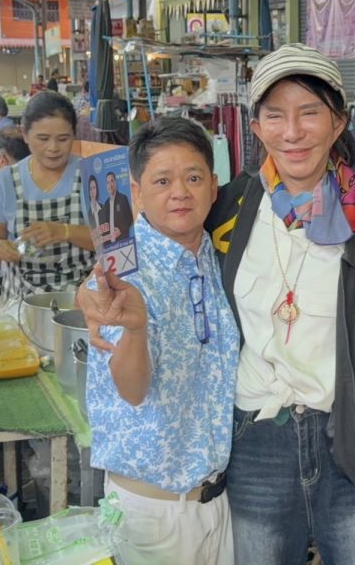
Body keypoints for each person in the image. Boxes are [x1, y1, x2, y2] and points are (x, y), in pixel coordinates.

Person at [77, 43, 355, 565]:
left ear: (338, 122)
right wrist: (90, 287)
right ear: (256, 128)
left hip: (349, 439)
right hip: (253, 446)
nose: (293, 132)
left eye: (309, 113)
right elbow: (151, 237)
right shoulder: (224, 210)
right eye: (275, 115)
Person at [83, 117, 238, 565]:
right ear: (137, 191)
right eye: (163, 180)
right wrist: (136, 330)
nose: (180, 193)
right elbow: (131, 390)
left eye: (193, 178)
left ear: (214, 186)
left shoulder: (216, 256)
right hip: (153, 514)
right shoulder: (120, 274)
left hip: (218, 503)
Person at [0, 91, 95, 297]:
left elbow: (116, 243)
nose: (53, 148)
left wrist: (66, 231)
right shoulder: (6, 180)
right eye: (43, 138)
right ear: (25, 134)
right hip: (22, 300)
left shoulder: (92, 174)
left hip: (82, 298)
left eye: (63, 139)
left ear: (74, 134)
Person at [102, 171, 133, 241]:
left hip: (123, 242)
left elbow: (130, 219)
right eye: (108, 182)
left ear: (115, 183)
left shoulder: (123, 198)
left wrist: (120, 230)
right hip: (110, 244)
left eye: (112, 181)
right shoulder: (106, 204)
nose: (110, 185)